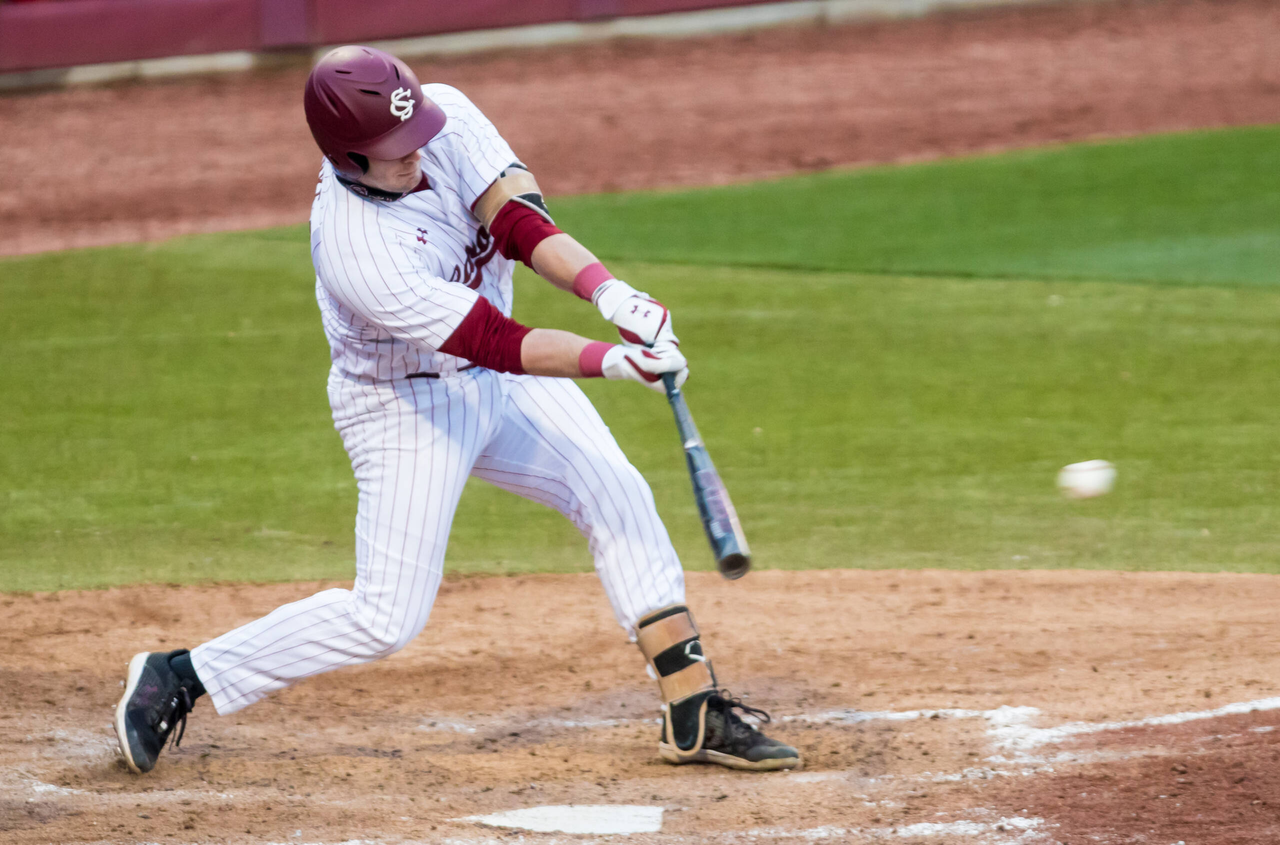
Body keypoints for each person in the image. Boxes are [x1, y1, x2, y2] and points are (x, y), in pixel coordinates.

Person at [114, 45, 800, 776]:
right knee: (386, 617)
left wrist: (609, 292)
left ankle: (692, 707)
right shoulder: (356, 247)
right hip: (405, 404)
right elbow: (495, 340)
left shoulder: (441, 116)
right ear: (349, 157)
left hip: (495, 381)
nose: (418, 154)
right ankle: (181, 674)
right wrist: (611, 359)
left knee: (616, 491)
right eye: (394, 150)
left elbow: (517, 220)